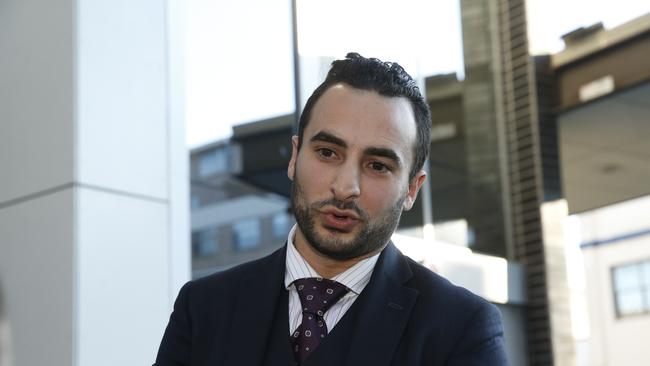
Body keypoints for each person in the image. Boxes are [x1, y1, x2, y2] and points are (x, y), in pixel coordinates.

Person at [154, 53, 508, 366]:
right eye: (327, 153)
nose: (345, 187)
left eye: (378, 166)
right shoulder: (203, 308)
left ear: (412, 189)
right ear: (295, 157)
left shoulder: (461, 328)